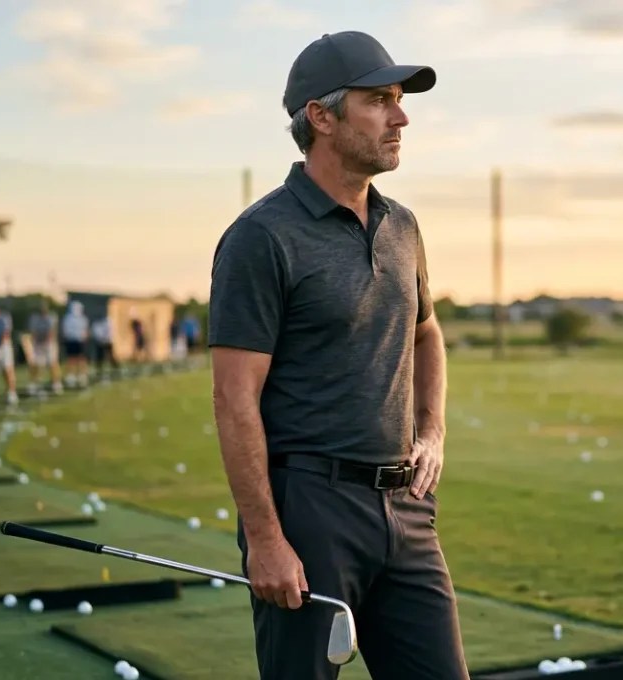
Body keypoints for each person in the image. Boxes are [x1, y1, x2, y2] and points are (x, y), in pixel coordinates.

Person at [208, 31, 464, 680]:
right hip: (309, 511)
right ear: (321, 117)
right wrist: (265, 540)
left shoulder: (403, 226)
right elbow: (234, 399)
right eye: (380, 100)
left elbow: (426, 333)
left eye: (400, 100)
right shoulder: (260, 238)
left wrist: (431, 432)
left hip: (405, 511)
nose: (401, 117)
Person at [27, 300, 63, 394]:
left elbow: (52, 332)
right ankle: (33, 383)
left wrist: (47, 341)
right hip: (38, 343)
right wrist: (37, 342)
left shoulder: (52, 317)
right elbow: (33, 332)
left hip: (49, 343)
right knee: (35, 364)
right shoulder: (34, 318)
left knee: (53, 363)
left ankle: (56, 383)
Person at [60, 301, 90, 388]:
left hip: (78, 341)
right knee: (72, 359)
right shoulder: (69, 318)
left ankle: (81, 375)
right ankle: (72, 376)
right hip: (72, 340)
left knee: (80, 358)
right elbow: (66, 331)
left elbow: (85, 330)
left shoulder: (82, 318)